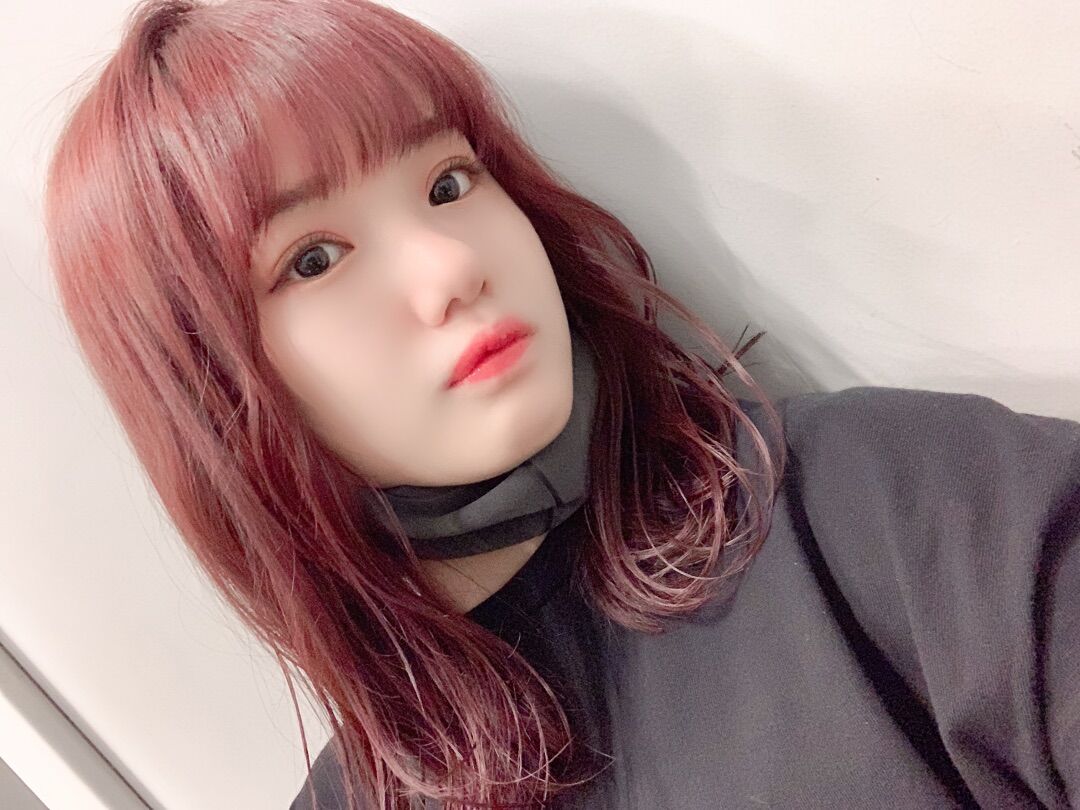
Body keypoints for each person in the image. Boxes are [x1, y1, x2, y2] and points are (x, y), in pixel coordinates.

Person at [41, 0, 1078, 808]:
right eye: (314, 258)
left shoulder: (876, 508)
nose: (451, 267)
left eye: (449, 182)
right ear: (214, 391)